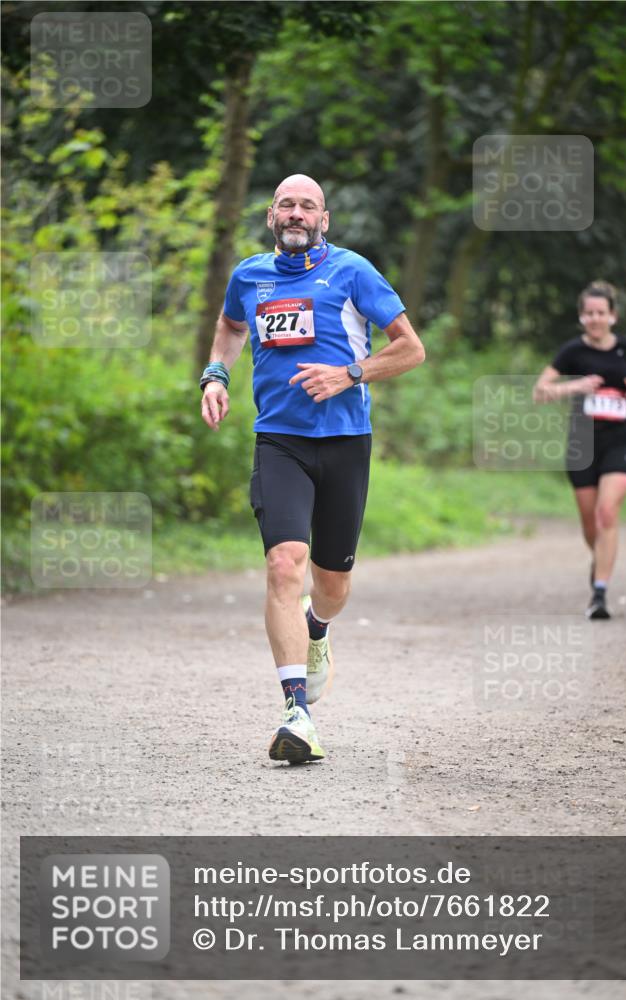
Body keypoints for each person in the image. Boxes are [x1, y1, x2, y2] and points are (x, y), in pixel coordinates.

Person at [200, 174, 425, 762]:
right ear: (272, 216)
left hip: (346, 441)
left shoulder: (353, 272)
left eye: (307, 206)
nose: (296, 213)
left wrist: (350, 374)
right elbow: (229, 326)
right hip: (279, 442)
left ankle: (318, 629)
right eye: (286, 205)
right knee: (283, 564)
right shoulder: (250, 275)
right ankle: (296, 710)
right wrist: (217, 374)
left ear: (324, 218)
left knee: (332, 585)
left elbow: (410, 348)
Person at [533, 281, 626, 619]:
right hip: (582, 443)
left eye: (602, 313)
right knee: (590, 524)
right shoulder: (572, 352)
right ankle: (600, 562)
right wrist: (576, 386)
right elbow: (540, 391)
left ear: (612, 316)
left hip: (620, 440)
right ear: (582, 317)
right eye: (589, 313)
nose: (596, 318)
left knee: (606, 514)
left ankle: (600, 593)